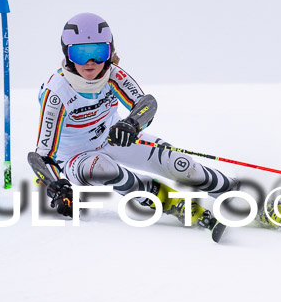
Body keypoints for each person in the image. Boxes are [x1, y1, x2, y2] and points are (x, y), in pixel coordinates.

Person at [32, 12, 239, 230]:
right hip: (75, 158)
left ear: (110, 51)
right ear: (67, 54)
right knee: (105, 169)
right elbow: (42, 157)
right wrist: (57, 187)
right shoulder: (56, 93)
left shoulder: (113, 75)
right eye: (80, 53)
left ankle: (234, 193)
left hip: (112, 138)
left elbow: (146, 104)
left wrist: (132, 123)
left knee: (181, 165)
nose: (91, 63)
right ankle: (174, 204)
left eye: (99, 53)